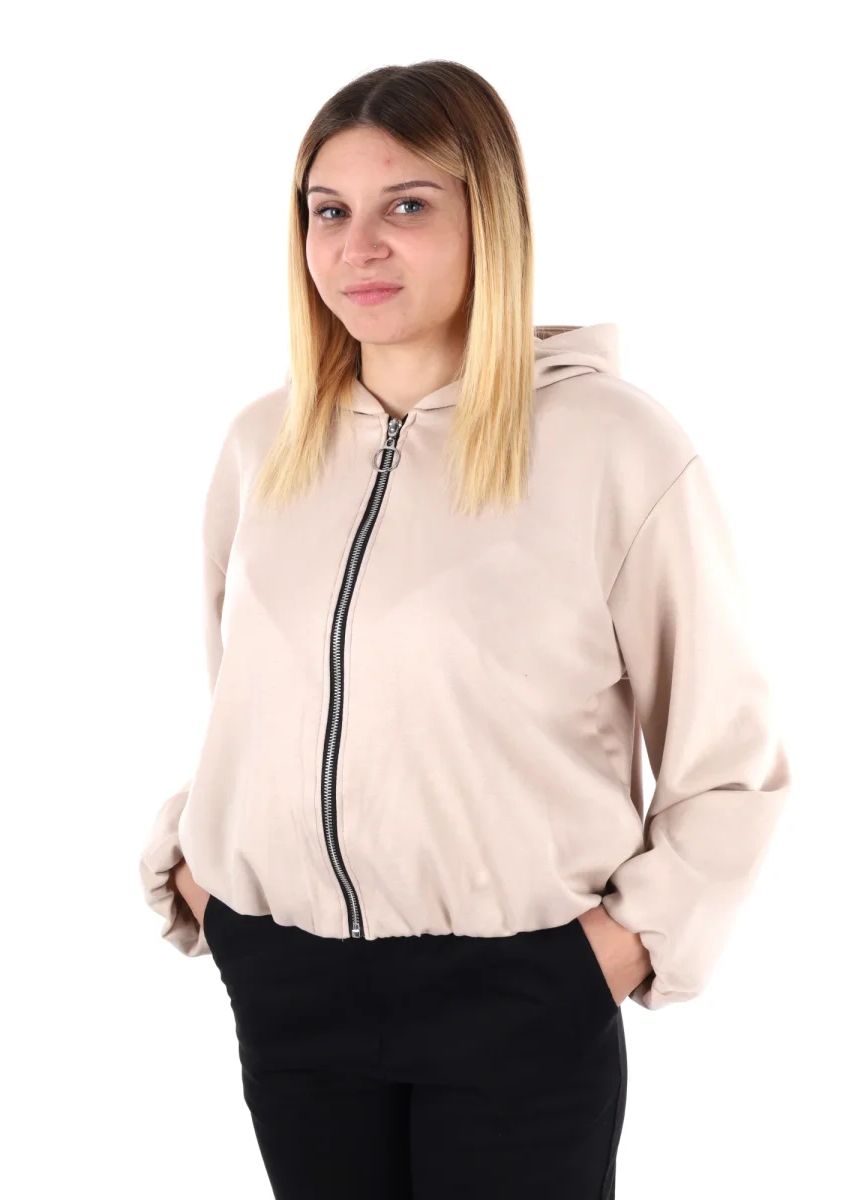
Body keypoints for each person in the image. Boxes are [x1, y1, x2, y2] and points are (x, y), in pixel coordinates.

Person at [138, 60, 792, 1199]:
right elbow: (242, 706)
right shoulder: (262, 445)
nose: (358, 247)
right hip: (293, 997)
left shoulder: (611, 445)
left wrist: (614, 952)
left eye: (406, 206)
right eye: (327, 211)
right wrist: (208, 885)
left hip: (518, 1000)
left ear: (489, 217)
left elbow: (728, 757)